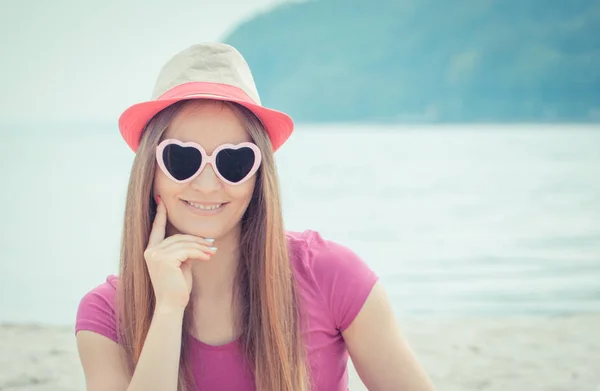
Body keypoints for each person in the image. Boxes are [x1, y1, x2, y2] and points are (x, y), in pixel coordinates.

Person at [75, 42, 437, 391]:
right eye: (181, 158)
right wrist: (169, 309)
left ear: (258, 176)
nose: (206, 185)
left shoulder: (332, 276)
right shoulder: (107, 314)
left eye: (234, 161)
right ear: (150, 170)